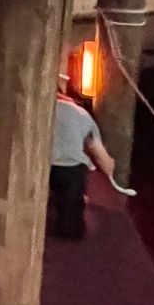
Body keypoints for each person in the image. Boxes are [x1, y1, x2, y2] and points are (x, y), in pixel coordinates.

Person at [50, 91, 120, 240]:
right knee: (71, 210)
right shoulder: (82, 114)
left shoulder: (42, 106)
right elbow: (101, 157)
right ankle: (69, 229)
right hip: (70, 167)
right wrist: (109, 164)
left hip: (40, 163)